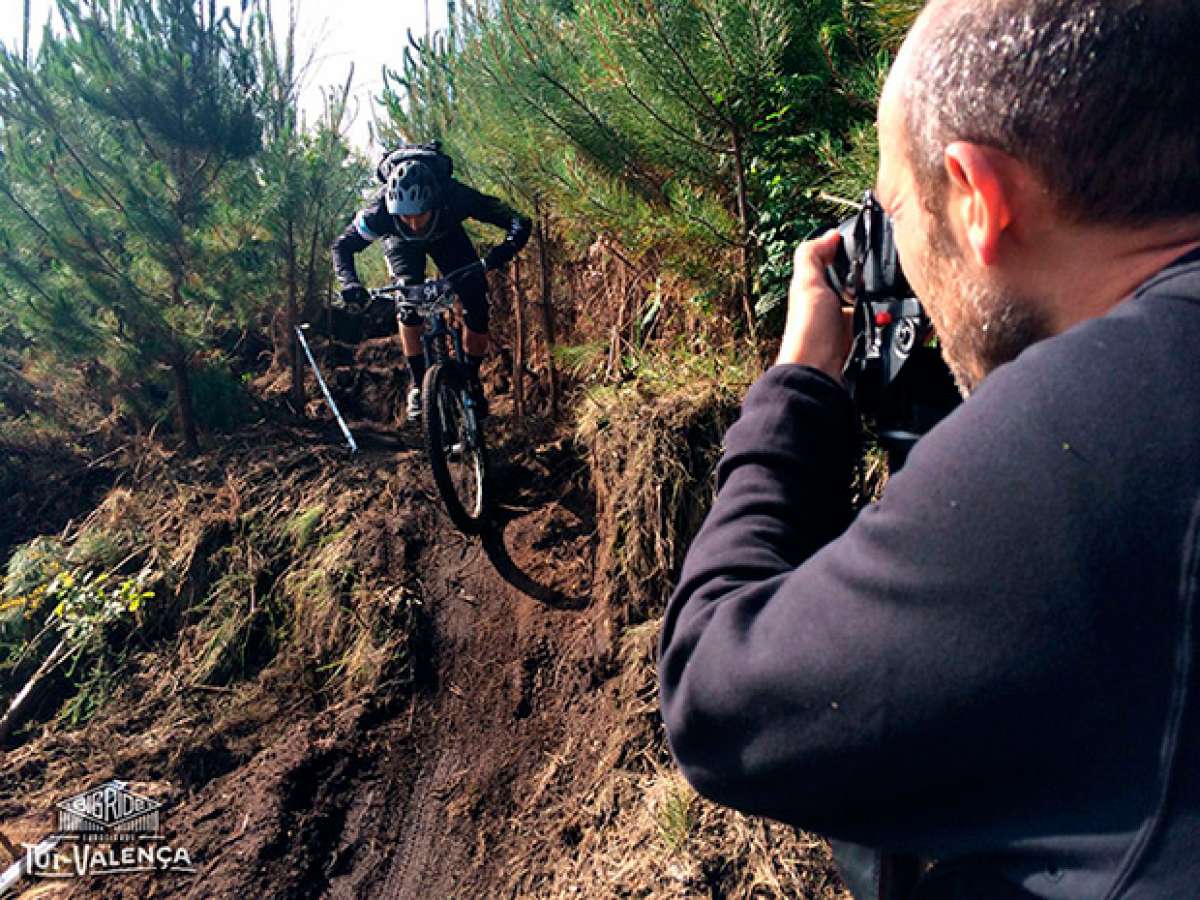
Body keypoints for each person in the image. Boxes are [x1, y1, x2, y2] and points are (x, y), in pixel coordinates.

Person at [658, 1, 1200, 898]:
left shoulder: (1077, 438)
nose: (898, 247)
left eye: (897, 205)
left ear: (978, 198)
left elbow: (716, 695)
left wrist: (798, 382)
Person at [332, 144, 531, 421]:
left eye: (420, 214)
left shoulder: (455, 196)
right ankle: (417, 383)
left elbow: (518, 221)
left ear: (435, 201)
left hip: (447, 235)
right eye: (406, 216)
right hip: (400, 245)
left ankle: (472, 380)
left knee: (476, 302)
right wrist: (350, 283)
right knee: (408, 302)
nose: (414, 224)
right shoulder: (379, 212)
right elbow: (342, 247)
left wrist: (501, 253)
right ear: (392, 207)